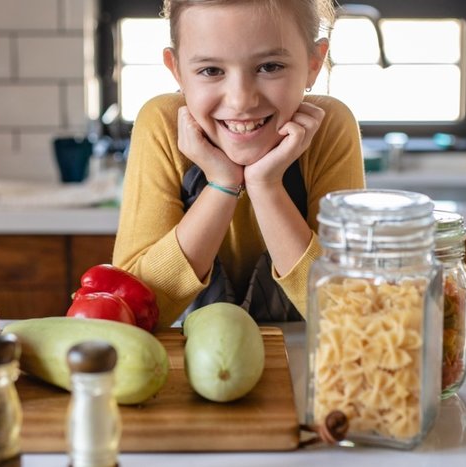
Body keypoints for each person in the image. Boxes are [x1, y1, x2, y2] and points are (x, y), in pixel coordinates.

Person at [113, 0, 365, 328]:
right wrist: (221, 184)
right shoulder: (161, 124)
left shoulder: (331, 127)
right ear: (176, 70)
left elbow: (351, 317)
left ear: (314, 63)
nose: (241, 100)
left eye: (270, 67)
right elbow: (130, 312)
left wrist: (265, 186)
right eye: (211, 70)